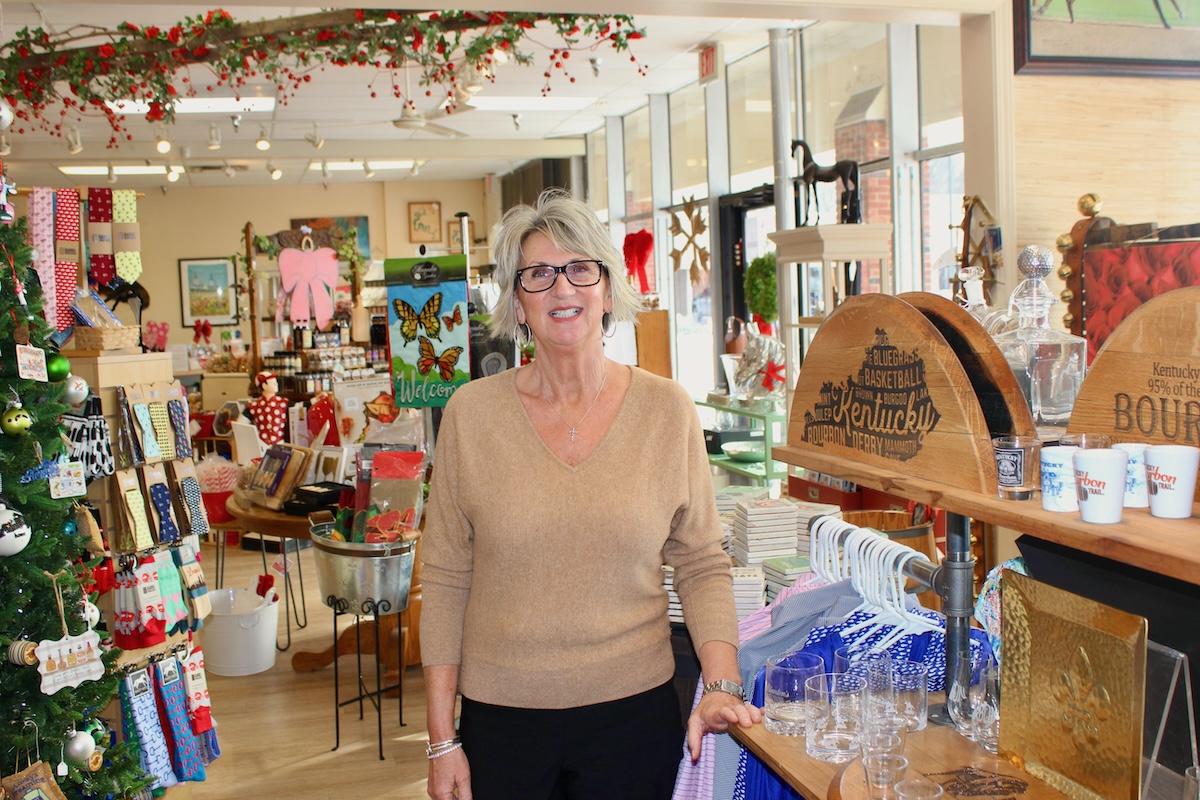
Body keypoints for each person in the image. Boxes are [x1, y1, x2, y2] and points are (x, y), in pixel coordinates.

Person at [421, 189, 760, 800]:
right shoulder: (471, 416)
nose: (562, 288)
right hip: (503, 723)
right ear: (517, 302)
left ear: (608, 289)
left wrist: (721, 684)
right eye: (539, 274)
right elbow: (445, 578)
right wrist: (442, 740)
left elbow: (702, 561)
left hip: (634, 719)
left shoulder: (666, 410)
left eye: (581, 268)